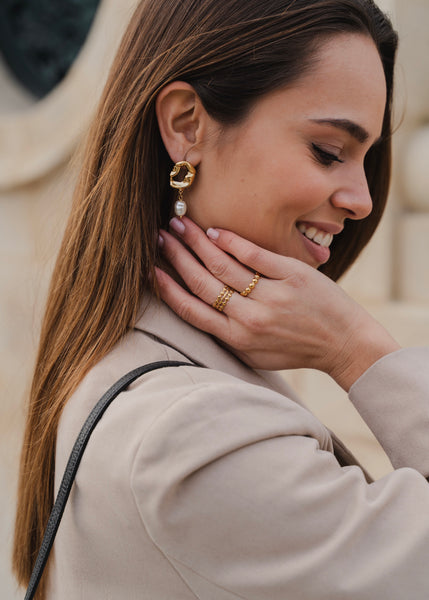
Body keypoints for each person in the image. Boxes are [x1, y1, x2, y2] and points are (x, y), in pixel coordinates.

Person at [12, 0, 429, 598]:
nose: (362, 199)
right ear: (186, 126)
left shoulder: (151, 369)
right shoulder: (190, 435)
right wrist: (356, 350)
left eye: (368, 159)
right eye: (330, 152)